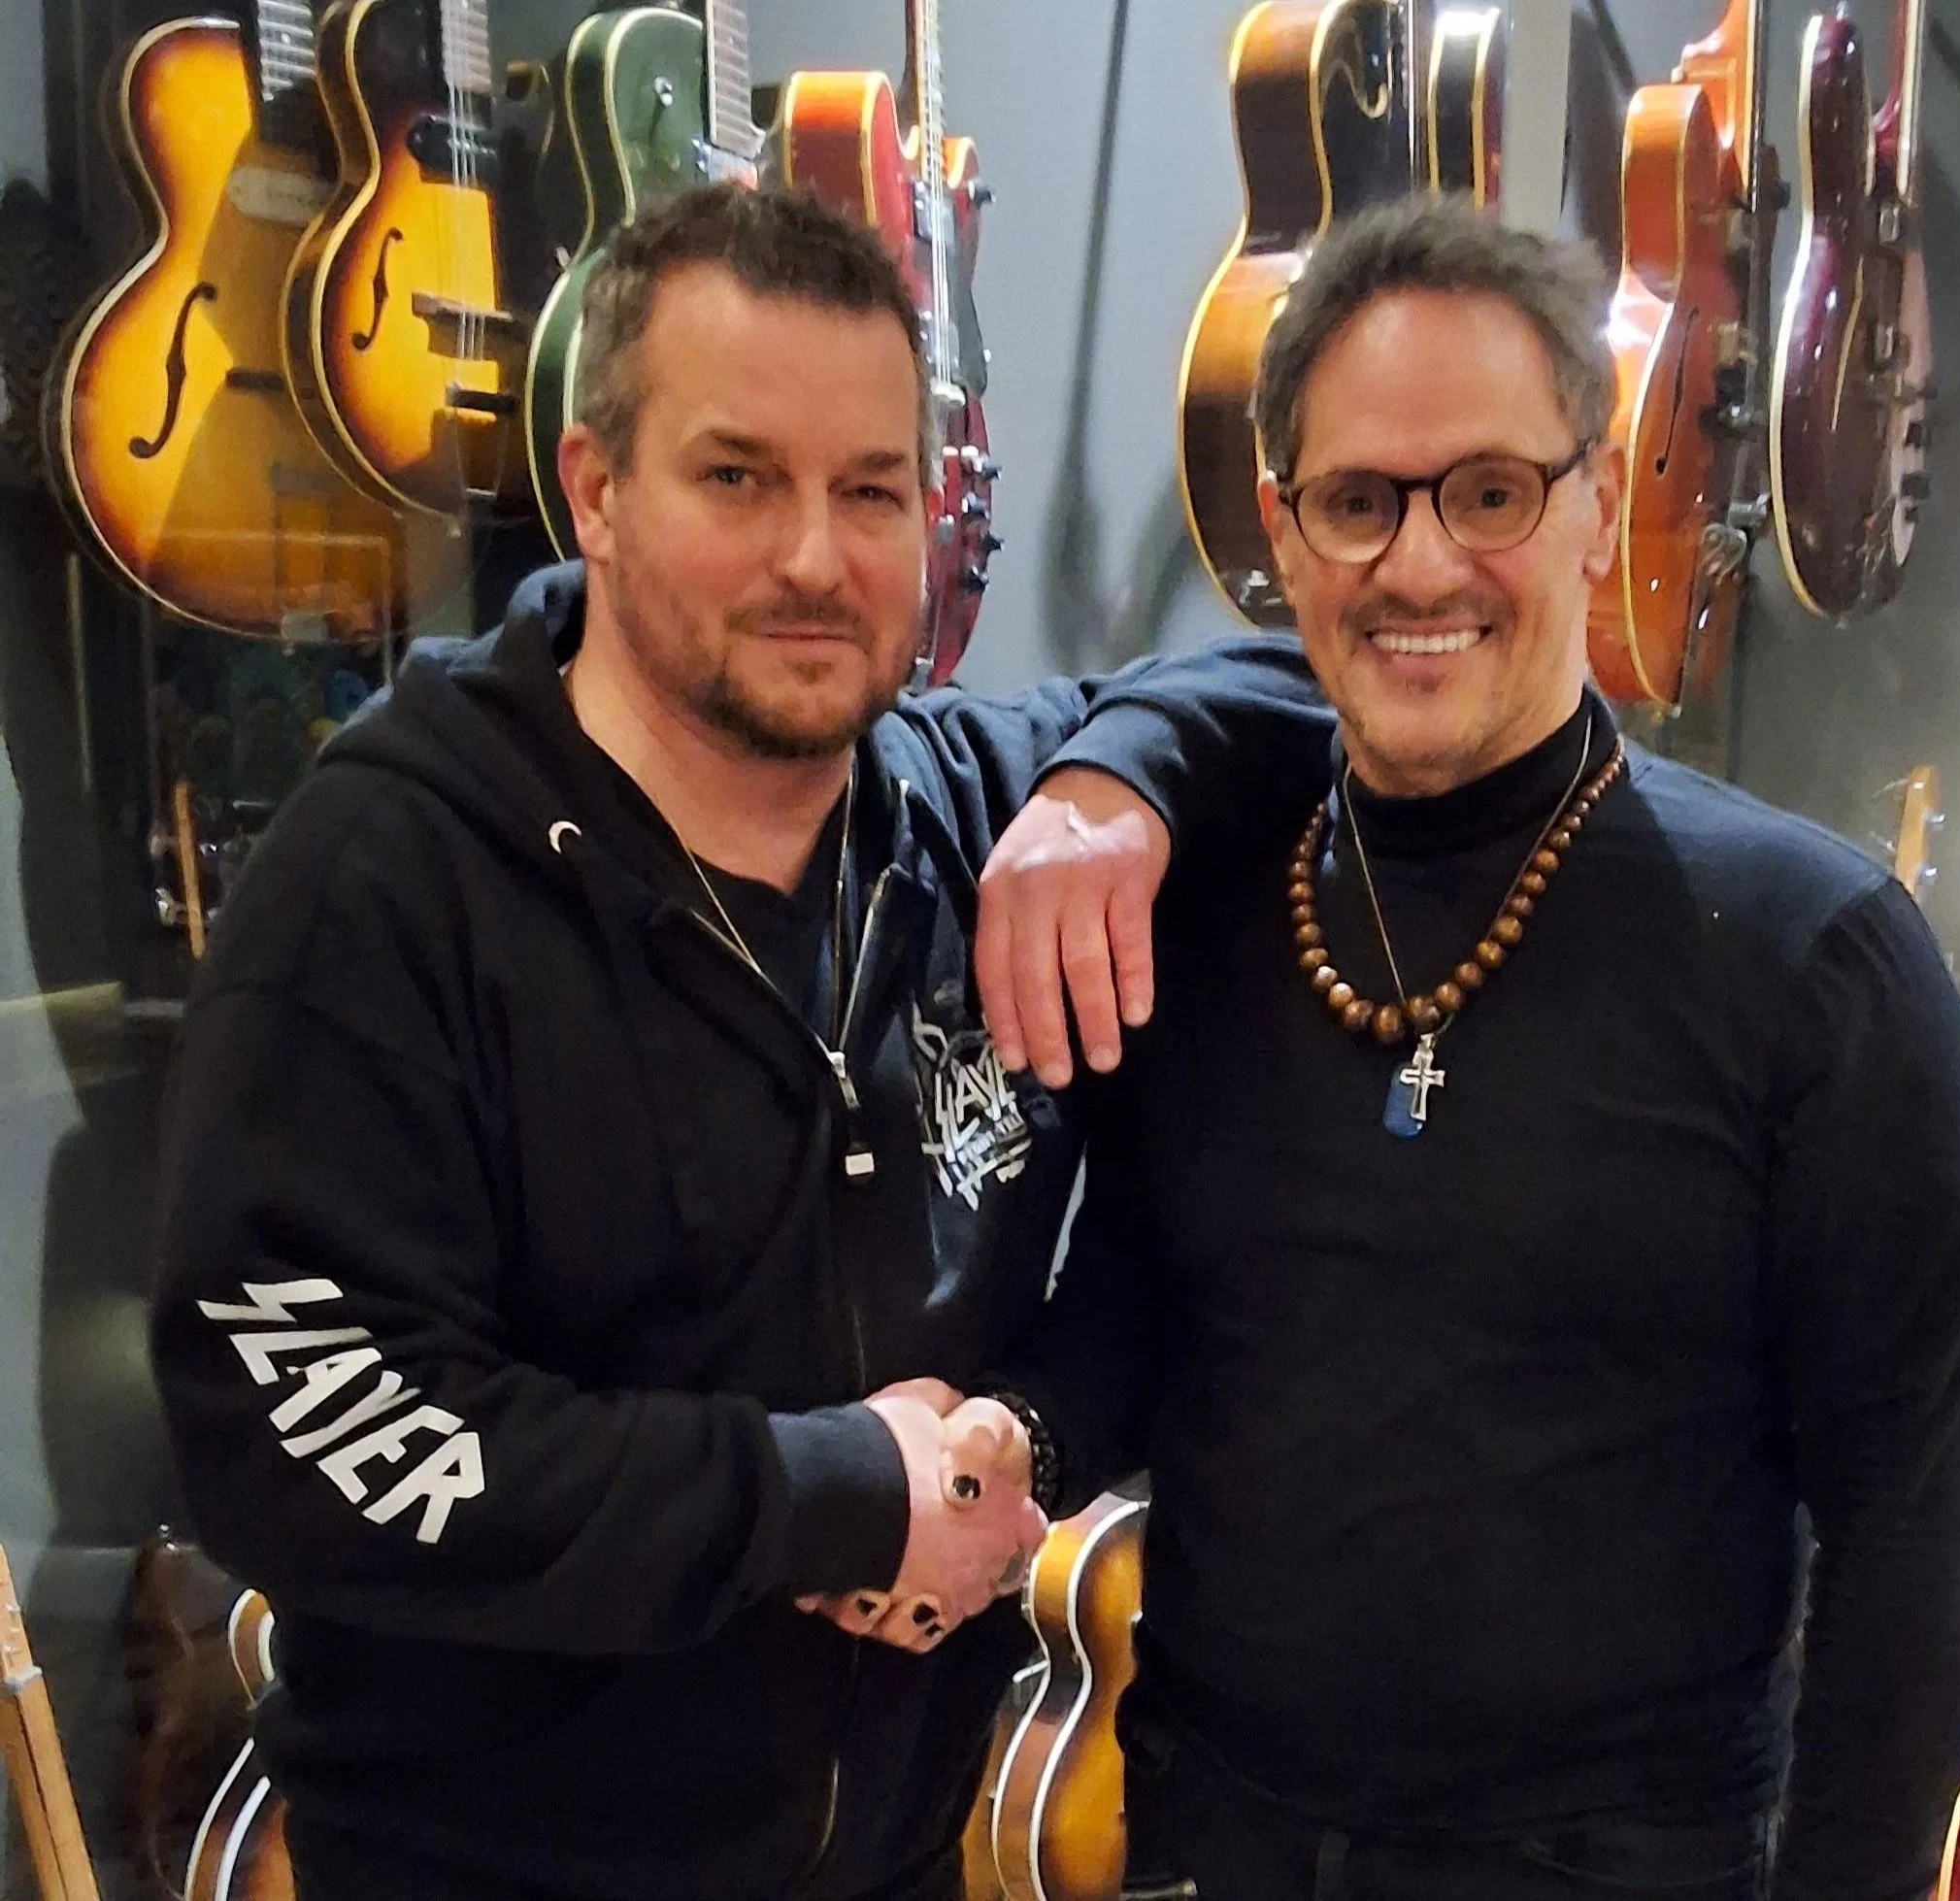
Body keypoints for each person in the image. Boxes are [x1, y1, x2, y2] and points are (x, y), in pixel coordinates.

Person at [148, 183, 1326, 1901]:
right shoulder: (386, 880)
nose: (815, 556)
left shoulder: (973, 806)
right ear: (594, 488)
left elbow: (1305, 686)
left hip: (910, 1858)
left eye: (872, 490)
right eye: (737, 475)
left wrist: (1119, 774)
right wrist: (830, 1493)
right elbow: (309, 1439)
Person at [991, 198, 1960, 1901]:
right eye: (1358, 501)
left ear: (1595, 495)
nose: (1417, 564)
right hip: (1204, 1838)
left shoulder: (1814, 964)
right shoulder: (1201, 909)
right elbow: (1147, 1322)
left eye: (1488, 491)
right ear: (1282, 526)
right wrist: (989, 1446)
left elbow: (1916, 1544)